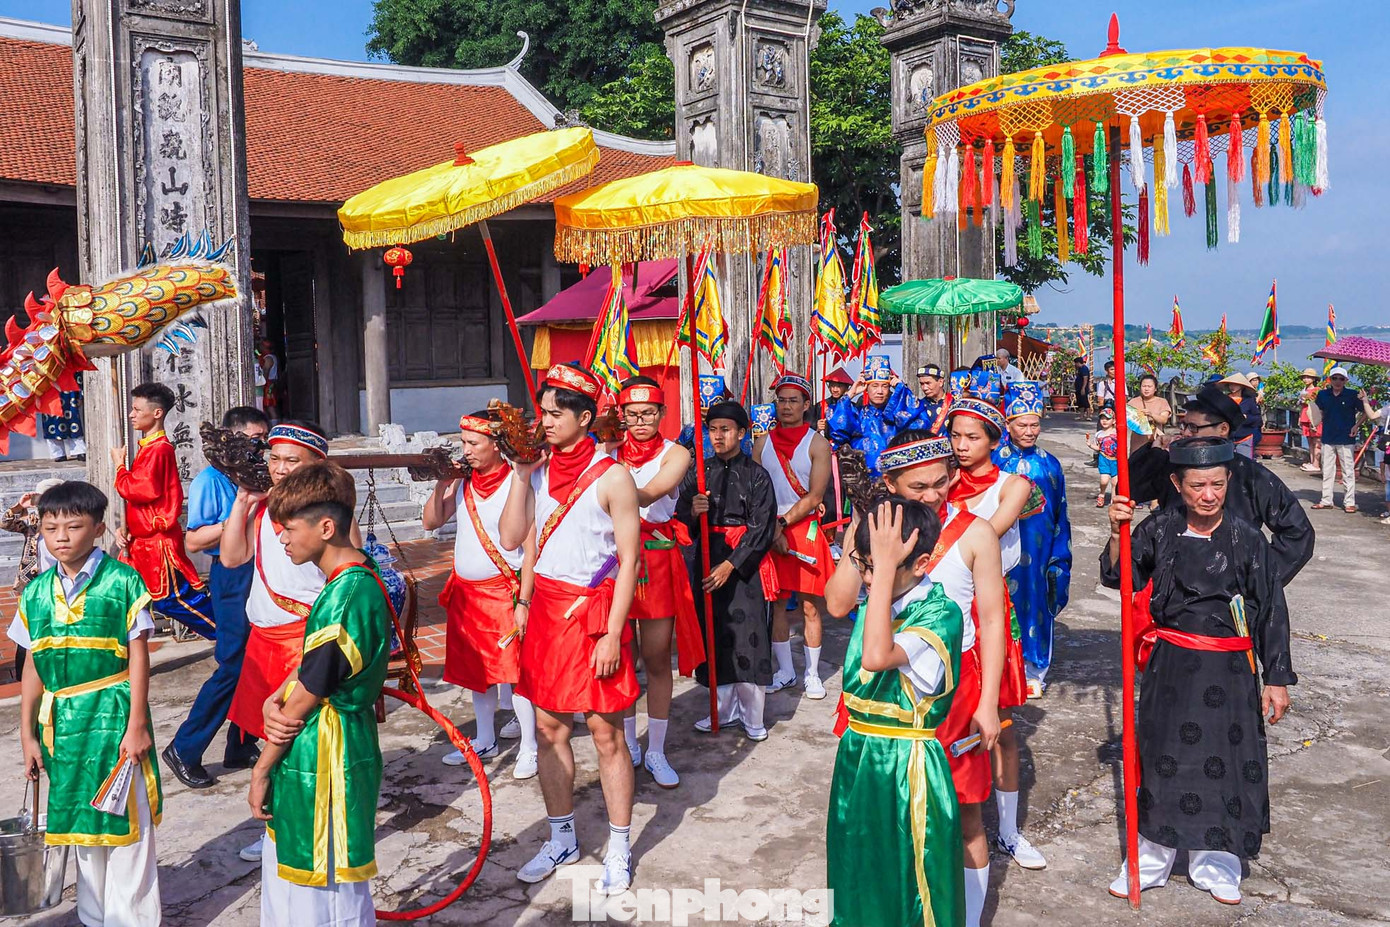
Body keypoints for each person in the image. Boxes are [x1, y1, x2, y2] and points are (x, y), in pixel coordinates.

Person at [1102, 437, 1295, 906]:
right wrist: (1116, 531)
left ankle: (1218, 863)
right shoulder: (1159, 529)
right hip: (1171, 666)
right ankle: (1151, 860)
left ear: (1227, 481)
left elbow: (1272, 609)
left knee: (1227, 766)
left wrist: (1275, 679)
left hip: (1230, 671)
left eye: (1217, 485)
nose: (1208, 495)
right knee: (1162, 760)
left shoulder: (1248, 539)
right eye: (1197, 486)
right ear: (1177, 483)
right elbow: (1118, 577)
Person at [825, 432, 1005, 927]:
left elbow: (992, 619)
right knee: (876, 822)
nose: (933, 495)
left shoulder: (974, 531)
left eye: (941, 483)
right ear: (890, 484)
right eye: (918, 486)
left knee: (962, 813)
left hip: (951, 687)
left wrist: (989, 701)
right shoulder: (872, 534)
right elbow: (838, 604)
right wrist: (862, 537)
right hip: (881, 695)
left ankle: (963, 916)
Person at [497, 363, 641, 894]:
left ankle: (620, 846)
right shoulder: (535, 472)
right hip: (547, 616)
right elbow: (514, 539)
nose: (547, 422)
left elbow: (629, 560)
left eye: (557, 413)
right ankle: (561, 837)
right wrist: (519, 473)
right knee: (549, 730)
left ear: (584, 418)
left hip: (595, 615)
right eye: (544, 412)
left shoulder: (612, 475)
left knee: (607, 734)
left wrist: (613, 634)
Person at [13, 481, 163, 926]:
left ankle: (134, 920)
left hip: (113, 715)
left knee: (125, 823)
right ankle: (95, 916)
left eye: (73, 527)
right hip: (60, 725)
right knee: (81, 827)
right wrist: (27, 734)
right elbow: (33, 665)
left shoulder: (122, 581)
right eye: (50, 528)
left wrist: (137, 724)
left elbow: (138, 654)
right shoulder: (36, 592)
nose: (61, 537)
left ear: (98, 528)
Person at [249, 463, 391, 927]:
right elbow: (314, 669)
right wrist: (278, 693)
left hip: (328, 751)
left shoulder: (346, 596)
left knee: (323, 890)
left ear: (326, 528)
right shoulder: (353, 578)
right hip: (325, 740)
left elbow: (311, 691)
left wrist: (262, 768)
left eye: (289, 529)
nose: (282, 539)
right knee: (297, 875)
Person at [828, 497, 965, 927]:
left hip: (905, 765)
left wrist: (883, 570)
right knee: (855, 869)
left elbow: (875, 656)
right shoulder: (882, 596)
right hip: (858, 755)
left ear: (921, 563)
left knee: (910, 880)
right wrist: (866, 552)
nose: (869, 578)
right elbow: (835, 601)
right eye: (865, 566)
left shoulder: (940, 613)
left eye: (878, 568)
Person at [220, 420, 338, 863]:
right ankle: (276, 826)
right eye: (274, 458)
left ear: (316, 464)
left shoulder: (326, 513)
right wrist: (243, 502)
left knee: (296, 741)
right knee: (269, 739)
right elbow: (232, 557)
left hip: (302, 639)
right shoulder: (262, 505)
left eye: (292, 460)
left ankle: (303, 827)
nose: (280, 468)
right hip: (264, 638)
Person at [946, 398, 1045, 872]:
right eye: (955, 436)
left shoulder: (1014, 485)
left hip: (987, 607)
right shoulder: (941, 480)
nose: (961, 446)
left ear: (994, 440)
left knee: (999, 723)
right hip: (938, 607)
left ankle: (1007, 830)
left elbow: (982, 535)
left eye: (973, 437)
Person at [422, 409, 539, 779]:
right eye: (463, 443)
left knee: (516, 673)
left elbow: (529, 550)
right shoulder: (463, 482)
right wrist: (442, 483)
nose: (466, 450)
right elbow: (430, 521)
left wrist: (524, 602)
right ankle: (485, 738)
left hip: (504, 593)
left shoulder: (518, 483)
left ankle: (531, 746)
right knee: (476, 673)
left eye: (474, 443)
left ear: (496, 444)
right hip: (466, 594)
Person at [164, 406, 270, 789]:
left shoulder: (261, 473)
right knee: (232, 664)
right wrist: (236, 517)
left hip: (263, 568)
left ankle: (240, 743)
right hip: (231, 573)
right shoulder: (211, 480)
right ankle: (185, 747)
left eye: (264, 440)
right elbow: (193, 540)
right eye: (255, 440)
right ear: (233, 439)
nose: (261, 447)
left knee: (259, 660)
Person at [612, 378, 698, 789]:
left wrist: (608, 478)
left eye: (648, 413)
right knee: (621, 654)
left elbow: (648, 494)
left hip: (657, 557)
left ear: (662, 413)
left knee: (657, 655)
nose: (641, 421)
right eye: (632, 414)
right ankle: (629, 742)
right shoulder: (608, 451)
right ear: (622, 416)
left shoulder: (675, 453)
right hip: (613, 561)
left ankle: (657, 750)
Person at [677, 400, 778, 739]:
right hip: (707, 557)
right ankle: (721, 711)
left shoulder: (757, 476)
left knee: (749, 638)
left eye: (725, 430)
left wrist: (731, 565)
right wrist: (694, 511)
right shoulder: (698, 473)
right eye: (712, 430)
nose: (718, 436)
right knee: (713, 634)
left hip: (743, 564)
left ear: (742, 433)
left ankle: (753, 716)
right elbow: (680, 518)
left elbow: (762, 528)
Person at [112, 382, 216, 638]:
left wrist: (120, 467)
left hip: (158, 545)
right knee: (132, 600)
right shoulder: (148, 447)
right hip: (142, 542)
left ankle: (229, 636)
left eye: (137, 409)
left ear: (157, 413)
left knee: (173, 599)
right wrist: (126, 527)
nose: (132, 415)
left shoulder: (159, 449)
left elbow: (140, 489)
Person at [756, 375, 834, 699]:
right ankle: (785, 671)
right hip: (769, 529)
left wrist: (781, 524)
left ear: (805, 405)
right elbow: (755, 491)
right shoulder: (761, 443)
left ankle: (812, 674)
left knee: (810, 606)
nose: (786, 406)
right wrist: (770, 528)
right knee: (775, 605)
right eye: (781, 400)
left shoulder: (818, 444)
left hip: (801, 528)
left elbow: (815, 496)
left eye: (793, 400)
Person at [995, 383, 1072, 695]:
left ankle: (1033, 671)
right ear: (1008, 424)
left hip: (1038, 548)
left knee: (1037, 600)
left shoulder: (1050, 464)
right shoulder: (995, 461)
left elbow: (1060, 512)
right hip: (1000, 545)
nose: (1029, 431)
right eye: (1022, 425)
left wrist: (1058, 554)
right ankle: (1000, 666)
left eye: (1034, 424)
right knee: (998, 601)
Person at [3, 478, 61, 681]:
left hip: (59, 584)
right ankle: (23, 676)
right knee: (26, 629)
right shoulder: (32, 524)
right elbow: (5, 523)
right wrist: (19, 507)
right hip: (32, 584)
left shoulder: (66, 523)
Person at [827, 362, 919, 476]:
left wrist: (901, 389)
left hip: (895, 478)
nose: (880, 391)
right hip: (862, 480)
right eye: (874, 386)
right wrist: (851, 393)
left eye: (884, 386)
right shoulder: (858, 415)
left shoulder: (897, 417)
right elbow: (838, 433)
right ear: (866, 388)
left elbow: (917, 426)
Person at [1312, 366, 1378, 512]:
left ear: (1346, 380)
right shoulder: (1323, 394)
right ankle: (1326, 499)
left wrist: (1356, 426)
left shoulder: (1352, 395)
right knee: (1327, 470)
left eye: (1341, 379)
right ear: (1330, 380)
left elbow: (1366, 411)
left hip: (1346, 437)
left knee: (1348, 470)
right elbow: (1318, 411)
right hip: (1328, 436)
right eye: (1334, 378)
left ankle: (1349, 502)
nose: (1337, 381)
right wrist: (1315, 423)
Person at [40, 378, 86, 461]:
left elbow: (77, 373)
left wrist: (80, 395)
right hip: (47, 386)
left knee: (73, 419)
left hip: (68, 385)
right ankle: (57, 452)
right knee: (51, 421)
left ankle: (79, 450)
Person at [1218, 373, 1261, 458]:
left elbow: (1258, 420)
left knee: (1245, 463)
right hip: (1227, 438)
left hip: (1245, 438)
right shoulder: (1224, 400)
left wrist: (1246, 418)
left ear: (1241, 386)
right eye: (1230, 384)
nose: (1232, 387)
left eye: (1235, 384)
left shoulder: (1249, 401)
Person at [1086, 407, 1120, 506]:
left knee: (1115, 482)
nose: (1104, 421)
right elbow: (1099, 448)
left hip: (1116, 460)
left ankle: (1114, 500)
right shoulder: (1099, 434)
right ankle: (1102, 494)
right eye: (1102, 418)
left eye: (1107, 419)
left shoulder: (1117, 433)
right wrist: (1090, 445)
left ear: (1114, 421)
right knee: (1104, 480)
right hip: (1104, 459)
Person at [1127, 373, 1172, 440]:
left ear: (1155, 388)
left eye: (1149, 386)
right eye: (1144, 386)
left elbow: (1164, 419)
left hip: (1155, 440)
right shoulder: (1133, 402)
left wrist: (1151, 414)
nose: (1146, 389)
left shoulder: (1162, 402)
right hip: (1137, 441)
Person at [815, 367, 853, 435]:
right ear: (829, 387)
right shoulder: (821, 405)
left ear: (846, 387)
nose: (835, 390)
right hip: (825, 440)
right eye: (832, 386)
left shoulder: (852, 407)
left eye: (839, 386)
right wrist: (817, 427)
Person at [1297, 368, 1322, 473]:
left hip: (1313, 415)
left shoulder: (1317, 390)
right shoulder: (1304, 390)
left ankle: (1316, 463)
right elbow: (1301, 406)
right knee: (1310, 441)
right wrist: (1299, 417)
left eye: (1309, 377)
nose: (1306, 379)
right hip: (1305, 415)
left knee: (1316, 441)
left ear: (1313, 379)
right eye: (1305, 377)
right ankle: (1312, 462)